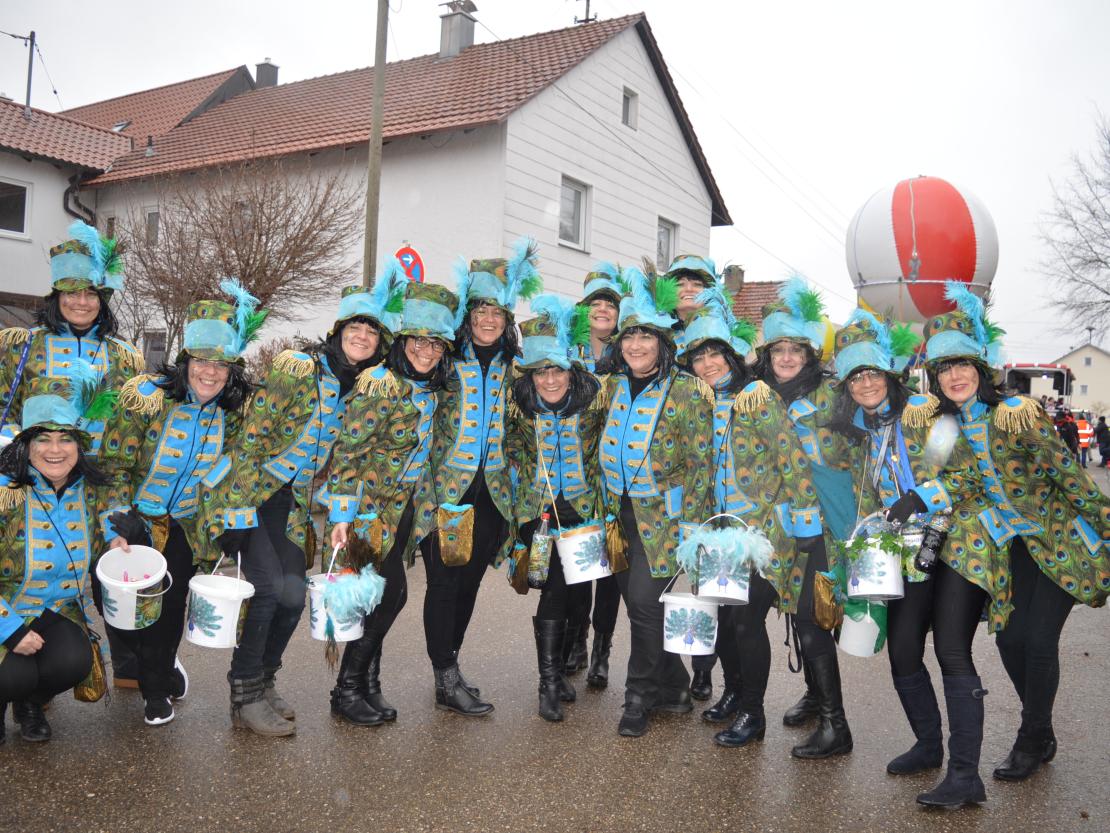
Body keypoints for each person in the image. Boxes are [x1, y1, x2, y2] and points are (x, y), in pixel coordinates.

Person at [201, 265, 409, 735]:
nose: (362, 336)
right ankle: (243, 693)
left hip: (291, 501)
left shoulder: (363, 388)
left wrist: (340, 517)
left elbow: (348, 460)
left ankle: (264, 679)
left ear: (381, 343)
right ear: (338, 332)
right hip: (249, 493)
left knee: (295, 595)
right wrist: (236, 511)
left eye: (371, 331)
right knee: (270, 588)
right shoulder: (298, 369)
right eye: (354, 327)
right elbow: (251, 442)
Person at [922, 282, 1109, 782]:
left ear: (980, 369)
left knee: (1038, 639)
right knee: (1007, 640)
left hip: (1058, 542)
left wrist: (1106, 527)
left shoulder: (1017, 415)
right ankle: (1041, 728)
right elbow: (933, 479)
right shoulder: (942, 427)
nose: (954, 376)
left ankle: (1031, 738)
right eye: (944, 368)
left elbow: (1070, 478)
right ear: (934, 377)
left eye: (962, 365)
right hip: (1007, 551)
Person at [830, 310, 1008, 808]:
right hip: (902, 555)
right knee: (904, 649)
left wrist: (920, 496)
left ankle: (965, 774)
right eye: (856, 376)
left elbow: (967, 476)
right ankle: (929, 745)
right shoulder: (861, 430)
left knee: (952, 650)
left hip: (955, 546)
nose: (866, 383)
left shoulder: (928, 414)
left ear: (889, 375)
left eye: (872, 373)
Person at [96, 281, 262, 726]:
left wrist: (233, 521)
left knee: (169, 612)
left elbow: (237, 473)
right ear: (187, 360)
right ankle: (150, 663)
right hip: (136, 522)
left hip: (187, 525)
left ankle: (156, 686)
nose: (210, 372)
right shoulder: (147, 397)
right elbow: (112, 464)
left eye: (221, 365)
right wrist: (117, 522)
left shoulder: (235, 412)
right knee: (118, 606)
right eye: (202, 361)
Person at [676, 298, 826, 753]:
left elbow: (793, 463)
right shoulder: (702, 402)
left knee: (746, 622)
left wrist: (803, 526)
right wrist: (691, 525)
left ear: (730, 354)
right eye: (698, 356)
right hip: (718, 531)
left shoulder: (756, 397)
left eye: (714, 354)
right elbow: (697, 471)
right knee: (723, 620)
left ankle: (753, 714)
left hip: (762, 533)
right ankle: (735, 692)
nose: (706, 363)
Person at [0, 221, 145, 690]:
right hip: (30, 472)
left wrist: (117, 501)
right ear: (55, 296)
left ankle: (112, 668)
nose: (81, 303)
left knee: (95, 574)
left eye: (90, 294)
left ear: (103, 298)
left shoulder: (125, 357)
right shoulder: (22, 346)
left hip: (93, 482)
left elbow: (127, 431)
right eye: (70, 293)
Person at [416, 239, 541, 715]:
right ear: (469, 313)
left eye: (499, 313)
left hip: (492, 494)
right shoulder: (442, 360)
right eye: (482, 310)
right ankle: (444, 677)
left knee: (468, 585)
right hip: (444, 491)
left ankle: (450, 668)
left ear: (508, 319)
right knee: (444, 584)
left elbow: (524, 432)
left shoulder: (516, 366)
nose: (490, 320)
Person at [326, 279, 458, 726]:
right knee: (390, 594)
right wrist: (343, 517)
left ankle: (365, 686)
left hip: (403, 511)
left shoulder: (429, 389)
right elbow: (348, 451)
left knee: (376, 596)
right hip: (369, 511)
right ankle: (347, 689)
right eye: (419, 340)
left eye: (436, 344)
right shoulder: (379, 383)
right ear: (403, 341)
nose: (427, 350)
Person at [595, 267, 714, 737]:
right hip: (616, 516)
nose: (636, 346)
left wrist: (693, 525)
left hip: (663, 520)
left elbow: (701, 465)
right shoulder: (612, 387)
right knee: (644, 608)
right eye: (629, 337)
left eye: (646, 337)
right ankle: (677, 686)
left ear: (663, 343)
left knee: (645, 606)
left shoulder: (687, 391)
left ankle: (637, 698)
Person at [753, 278, 854, 753]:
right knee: (798, 609)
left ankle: (837, 726)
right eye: (779, 351)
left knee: (815, 616)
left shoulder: (837, 394)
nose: (787, 358)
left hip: (832, 520)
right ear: (768, 357)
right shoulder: (763, 397)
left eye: (796, 349)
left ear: (810, 355)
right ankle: (816, 695)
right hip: (784, 522)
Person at [504, 295, 604, 721]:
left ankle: (563, 669)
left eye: (557, 369)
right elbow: (508, 454)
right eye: (541, 371)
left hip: (584, 512)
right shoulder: (518, 411)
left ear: (571, 370)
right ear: (531, 375)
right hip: (540, 515)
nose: (549, 380)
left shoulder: (594, 405)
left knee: (581, 595)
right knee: (556, 591)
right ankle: (547, 682)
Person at [0, 375, 114, 743]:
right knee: (13, 674)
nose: (55, 449)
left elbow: (113, 524)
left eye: (66, 438)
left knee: (73, 662)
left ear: (79, 446)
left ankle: (31, 704)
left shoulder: (90, 493)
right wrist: (10, 629)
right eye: (43, 438)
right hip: (7, 609)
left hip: (57, 609)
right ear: (26, 445)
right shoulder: (5, 493)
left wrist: (123, 534)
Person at [568, 264, 625, 689]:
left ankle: (602, 650)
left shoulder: (632, 351)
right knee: (578, 565)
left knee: (611, 572)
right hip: (575, 475)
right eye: (595, 303)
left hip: (618, 477)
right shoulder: (566, 349)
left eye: (610, 304)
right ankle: (577, 641)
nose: (602, 310)